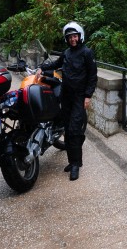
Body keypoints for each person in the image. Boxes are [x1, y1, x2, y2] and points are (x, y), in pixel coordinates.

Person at [39, 21, 97, 181]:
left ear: (80, 36)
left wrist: (88, 96)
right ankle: (72, 161)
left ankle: (76, 165)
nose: (72, 39)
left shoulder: (87, 53)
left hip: (79, 97)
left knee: (74, 130)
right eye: (70, 37)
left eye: (75, 36)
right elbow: (55, 65)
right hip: (66, 96)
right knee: (67, 128)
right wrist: (41, 68)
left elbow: (92, 77)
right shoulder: (66, 53)